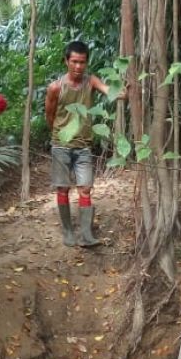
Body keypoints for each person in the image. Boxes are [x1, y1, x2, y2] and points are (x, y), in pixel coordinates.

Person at [44, 40, 116, 247]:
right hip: (61, 145)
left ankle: (86, 234)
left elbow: (108, 90)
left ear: (86, 63)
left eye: (82, 62)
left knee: (85, 189)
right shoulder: (56, 87)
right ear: (66, 61)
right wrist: (59, 135)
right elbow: (49, 115)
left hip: (84, 145)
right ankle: (67, 231)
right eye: (74, 61)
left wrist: (122, 92)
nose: (78, 66)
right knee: (62, 189)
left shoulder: (90, 81)